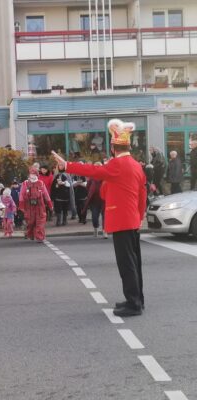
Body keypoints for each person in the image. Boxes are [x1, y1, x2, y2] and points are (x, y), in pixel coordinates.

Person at [52, 118, 147, 317]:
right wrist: (139, 217)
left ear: (113, 148)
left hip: (121, 221)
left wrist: (66, 165)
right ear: (128, 146)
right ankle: (137, 298)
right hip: (131, 220)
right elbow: (142, 194)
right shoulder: (135, 165)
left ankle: (134, 304)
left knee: (126, 264)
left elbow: (93, 170)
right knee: (134, 262)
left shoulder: (117, 164)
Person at [19, 166, 53, 243]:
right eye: (31, 174)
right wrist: (21, 206)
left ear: (37, 175)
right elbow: (21, 194)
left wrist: (50, 204)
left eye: (34, 174)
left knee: (40, 222)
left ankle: (40, 237)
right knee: (30, 222)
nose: (32, 175)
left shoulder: (40, 183)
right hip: (29, 207)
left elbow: (46, 194)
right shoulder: (25, 183)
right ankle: (30, 234)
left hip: (40, 206)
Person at [82, 162, 106, 238]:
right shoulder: (91, 178)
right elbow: (87, 187)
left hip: (104, 200)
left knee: (105, 217)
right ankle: (96, 227)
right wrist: (90, 195)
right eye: (96, 167)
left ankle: (105, 231)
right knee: (94, 217)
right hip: (94, 202)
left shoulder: (105, 177)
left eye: (99, 167)